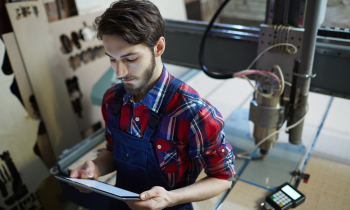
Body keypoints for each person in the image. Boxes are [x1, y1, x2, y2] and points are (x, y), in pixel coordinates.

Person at [70, 0, 235, 209]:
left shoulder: (195, 114)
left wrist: (170, 198)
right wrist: (94, 170)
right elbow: (113, 152)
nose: (119, 72)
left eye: (130, 58)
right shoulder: (113, 100)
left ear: (158, 47)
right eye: (112, 59)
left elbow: (223, 178)